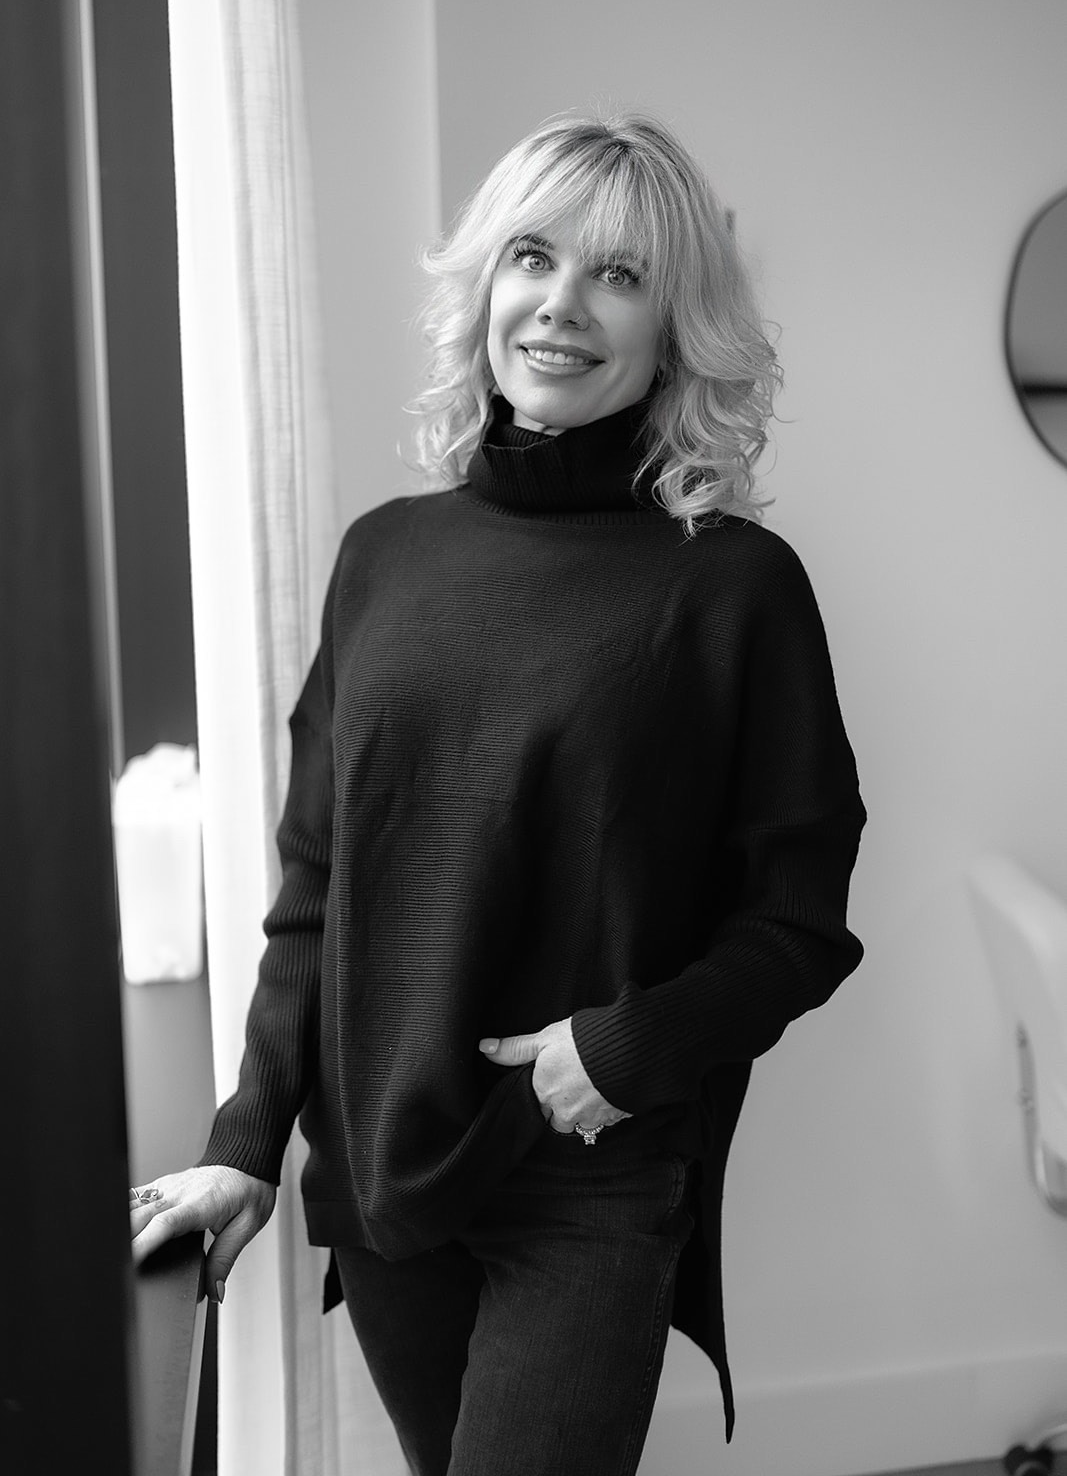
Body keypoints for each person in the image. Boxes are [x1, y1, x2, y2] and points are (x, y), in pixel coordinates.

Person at [130, 112, 866, 1476]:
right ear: (486, 280)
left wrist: (623, 1053)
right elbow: (319, 892)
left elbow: (801, 924)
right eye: (534, 255)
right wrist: (249, 1138)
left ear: (673, 329)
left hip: (583, 1180)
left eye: (620, 275)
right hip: (381, 1177)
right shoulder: (385, 557)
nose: (563, 304)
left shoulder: (729, 586)